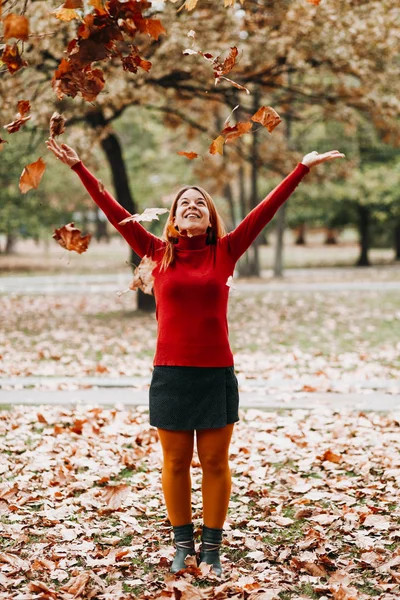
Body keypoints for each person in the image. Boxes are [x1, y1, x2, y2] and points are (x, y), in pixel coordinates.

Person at [46, 138, 344, 576]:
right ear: (172, 220)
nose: (191, 204)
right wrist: (80, 168)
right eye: (184, 202)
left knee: (215, 462)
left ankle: (212, 549)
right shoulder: (155, 252)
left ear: (208, 217)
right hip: (169, 373)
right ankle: (182, 545)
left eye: (199, 202)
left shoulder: (226, 250)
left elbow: (265, 210)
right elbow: (113, 210)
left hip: (216, 373)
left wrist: (300, 168)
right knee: (175, 462)